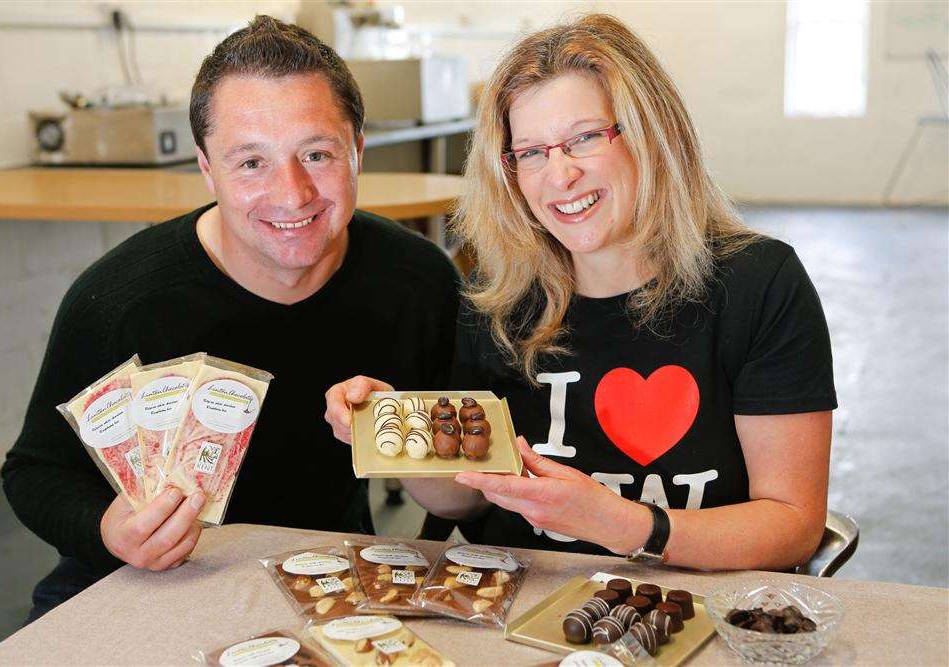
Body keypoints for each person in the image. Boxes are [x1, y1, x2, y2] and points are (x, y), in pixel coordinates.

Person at [325, 14, 835, 571]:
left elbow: (792, 525)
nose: (560, 175)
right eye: (533, 152)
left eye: (585, 138)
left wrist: (617, 523)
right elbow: (466, 496)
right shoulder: (499, 298)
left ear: (651, 137)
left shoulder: (759, 284)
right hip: (515, 602)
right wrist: (395, 436)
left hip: (688, 612)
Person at [3, 16, 459, 622]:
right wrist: (109, 526)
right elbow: (36, 470)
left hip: (325, 576)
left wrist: (404, 448)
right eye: (250, 163)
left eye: (317, 153)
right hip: (137, 582)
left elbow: (464, 493)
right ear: (205, 166)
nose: (292, 194)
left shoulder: (418, 282)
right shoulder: (120, 300)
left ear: (358, 149)